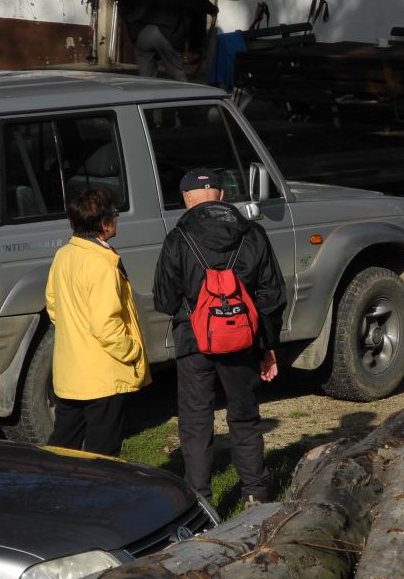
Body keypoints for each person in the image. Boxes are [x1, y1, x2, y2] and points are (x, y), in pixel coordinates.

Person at [153, 168, 286, 506]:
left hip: (193, 342)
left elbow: (165, 300)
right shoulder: (253, 234)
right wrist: (267, 346)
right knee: (244, 415)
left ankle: (200, 502)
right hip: (242, 341)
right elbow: (272, 293)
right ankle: (255, 494)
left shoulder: (177, 238)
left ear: (186, 199)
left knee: (196, 421)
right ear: (222, 195)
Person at [45, 188, 150, 455]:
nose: (117, 218)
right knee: (102, 452)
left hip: (70, 372)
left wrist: (75, 330)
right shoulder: (101, 264)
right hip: (102, 376)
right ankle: (97, 494)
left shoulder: (63, 255)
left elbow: (54, 306)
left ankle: (50, 490)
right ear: (104, 224)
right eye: (114, 213)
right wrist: (132, 351)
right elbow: (106, 326)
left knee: (62, 445)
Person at [124, 0, 218, 81]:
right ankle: (181, 98)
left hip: (142, 32)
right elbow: (199, 1)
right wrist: (213, 9)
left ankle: (146, 97)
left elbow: (123, 5)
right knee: (177, 78)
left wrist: (133, 30)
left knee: (146, 79)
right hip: (167, 32)